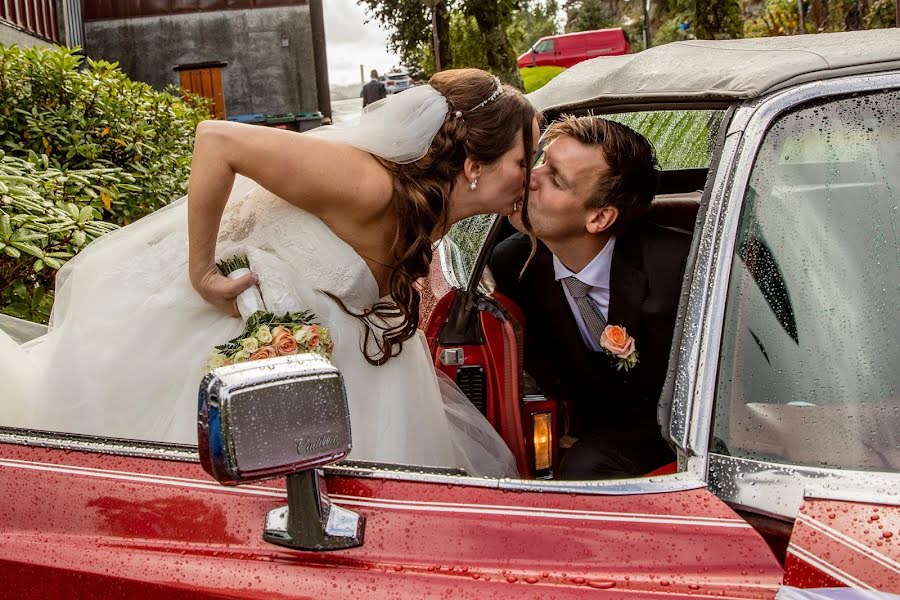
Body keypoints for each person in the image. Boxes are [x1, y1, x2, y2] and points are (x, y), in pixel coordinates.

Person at [0, 68, 539, 479]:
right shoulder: (370, 185)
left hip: (338, 342)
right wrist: (202, 272)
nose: (531, 175)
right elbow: (217, 140)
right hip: (248, 327)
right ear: (475, 163)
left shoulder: (434, 207)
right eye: (526, 158)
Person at [490, 116, 690, 479]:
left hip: (676, 431)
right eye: (541, 161)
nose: (529, 178)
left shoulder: (677, 268)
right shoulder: (511, 265)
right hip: (585, 426)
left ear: (599, 217)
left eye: (555, 179)